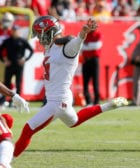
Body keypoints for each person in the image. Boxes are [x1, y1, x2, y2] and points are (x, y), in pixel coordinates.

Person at [13, 16, 128, 158]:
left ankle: (4, 161)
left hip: (58, 101)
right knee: (74, 122)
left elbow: (76, 42)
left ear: (50, 32)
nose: (40, 39)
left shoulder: (67, 48)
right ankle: (109, 106)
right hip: (61, 98)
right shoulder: (51, 48)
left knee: (28, 129)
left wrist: (82, 34)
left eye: (41, 34)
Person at [0, 25, 34, 107]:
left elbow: (31, 50)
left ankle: (17, 101)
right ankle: (4, 100)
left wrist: (25, 59)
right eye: (13, 30)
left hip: (19, 66)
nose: (15, 32)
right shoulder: (7, 41)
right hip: (10, 65)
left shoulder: (22, 41)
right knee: (7, 83)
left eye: (16, 30)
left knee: (18, 83)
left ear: (19, 31)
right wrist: (4, 60)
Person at [81, 28, 103, 106]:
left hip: (94, 60)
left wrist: (86, 45)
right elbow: (80, 46)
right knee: (85, 82)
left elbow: (97, 45)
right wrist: (88, 45)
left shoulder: (98, 34)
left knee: (95, 81)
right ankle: (88, 100)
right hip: (86, 60)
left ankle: (96, 101)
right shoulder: (85, 35)